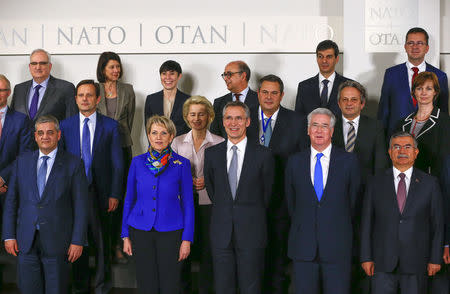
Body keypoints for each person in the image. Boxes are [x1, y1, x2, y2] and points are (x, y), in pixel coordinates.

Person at [2, 115, 88, 294]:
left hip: (59, 241)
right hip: (26, 240)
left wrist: (78, 240)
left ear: (58, 135)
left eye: (50, 132)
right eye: (40, 133)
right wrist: (8, 235)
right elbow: (11, 201)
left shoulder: (74, 164)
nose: (45, 137)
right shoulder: (22, 162)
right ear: (35, 136)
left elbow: (81, 206)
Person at [285, 107, 361, 294]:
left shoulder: (349, 161)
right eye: (315, 125)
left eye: (324, 126)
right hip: (303, 248)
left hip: (337, 247)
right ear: (308, 130)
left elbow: (354, 202)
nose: (319, 130)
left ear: (332, 131)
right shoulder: (294, 162)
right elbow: (291, 202)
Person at [60, 80, 124, 294]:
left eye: (89, 95)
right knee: (77, 241)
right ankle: (79, 287)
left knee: (102, 243)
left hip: (102, 193)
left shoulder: (111, 125)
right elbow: (60, 163)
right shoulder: (65, 126)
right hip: (73, 194)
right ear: (76, 99)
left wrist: (115, 193)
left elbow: (117, 163)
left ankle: (102, 287)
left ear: (98, 99)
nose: (84, 99)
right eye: (80, 95)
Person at [360, 131, 444, 294]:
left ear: (415, 152)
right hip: (382, 262)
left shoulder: (430, 184)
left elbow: (438, 224)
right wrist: (365, 257)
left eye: (407, 147)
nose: (402, 151)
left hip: (417, 262)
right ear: (390, 152)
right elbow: (366, 223)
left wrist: (435, 258)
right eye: (396, 147)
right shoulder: (375, 182)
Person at [204, 101, 275, 294]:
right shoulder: (212, 154)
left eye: (238, 118)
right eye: (229, 118)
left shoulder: (264, 155)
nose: (233, 123)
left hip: (252, 232)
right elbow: (213, 191)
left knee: (251, 287)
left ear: (248, 122)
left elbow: (267, 194)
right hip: (221, 232)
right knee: (222, 286)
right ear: (223, 121)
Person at [246, 74, 306, 294]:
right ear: (258, 94)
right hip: (249, 203)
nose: (269, 97)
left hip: (282, 203)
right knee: (251, 264)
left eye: (274, 93)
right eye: (264, 92)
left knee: (278, 263)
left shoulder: (297, 121)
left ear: (282, 95)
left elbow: (302, 162)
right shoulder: (244, 118)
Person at [122, 115, 194, 294]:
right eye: (154, 133)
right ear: (148, 135)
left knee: (170, 284)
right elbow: (129, 199)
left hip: (171, 232)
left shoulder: (181, 164)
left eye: (164, 133)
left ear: (171, 137)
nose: (158, 137)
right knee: (146, 284)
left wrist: (187, 239)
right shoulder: (137, 162)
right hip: (140, 230)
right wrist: (125, 235)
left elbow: (188, 204)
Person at [171, 96, 224, 294]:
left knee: (207, 252)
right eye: (192, 114)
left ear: (209, 116)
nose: (197, 118)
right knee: (183, 251)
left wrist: (208, 182)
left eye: (201, 114)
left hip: (209, 203)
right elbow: (172, 173)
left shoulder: (219, 142)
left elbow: (224, 176)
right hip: (183, 205)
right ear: (186, 117)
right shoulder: (176, 142)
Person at [96, 51, 136, 263]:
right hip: (100, 151)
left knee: (121, 197)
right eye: (112, 67)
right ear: (103, 69)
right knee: (102, 198)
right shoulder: (93, 90)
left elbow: (129, 122)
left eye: (118, 66)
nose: (116, 70)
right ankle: (103, 246)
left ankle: (120, 244)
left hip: (121, 148)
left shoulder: (128, 90)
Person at [378, 27, 449, 136]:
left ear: (427, 48)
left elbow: (443, 113)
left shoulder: (440, 76)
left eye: (420, 43)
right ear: (405, 47)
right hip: (397, 139)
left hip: (430, 140)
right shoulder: (391, 74)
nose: (415, 47)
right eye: (410, 43)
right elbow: (384, 111)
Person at [333, 80, 388, 185]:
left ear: (362, 104)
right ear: (339, 103)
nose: (349, 103)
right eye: (345, 99)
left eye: (354, 99)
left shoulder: (375, 127)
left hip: (365, 189)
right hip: (335, 187)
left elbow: (380, 166)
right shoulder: (329, 126)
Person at [395, 71, 450, 177]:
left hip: (432, 181)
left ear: (435, 92)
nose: (423, 93)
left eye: (428, 89)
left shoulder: (445, 122)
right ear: (414, 92)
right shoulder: (402, 123)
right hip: (405, 179)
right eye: (419, 88)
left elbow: (444, 161)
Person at [11, 49, 77, 123]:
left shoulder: (66, 88)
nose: (38, 67)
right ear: (29, 67)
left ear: (50, 66)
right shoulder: (19, 89)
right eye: (34, 63)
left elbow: (72, 121)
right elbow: (12, 120)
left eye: (42, 63)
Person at [295, 40, 351, 117]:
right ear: (316, 58)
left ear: (337, 59)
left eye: (329, 57)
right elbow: (298, 118)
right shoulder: (304, 86)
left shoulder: (349, 85)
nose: (324, 61)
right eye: (320, 56)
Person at [0, 74, 33, 193]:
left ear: (8, 92)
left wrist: (3, 178)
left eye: (1, 90)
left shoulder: (21, 120)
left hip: (9, 187)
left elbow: (25, 155)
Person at [210, 61, 259, 138]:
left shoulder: (260, 100)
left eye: (229, 74)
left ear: (243, 76)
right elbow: (214, 136)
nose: (225, 78)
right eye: (224, 75)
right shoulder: (218, 103)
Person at [144, 60, 190, 136]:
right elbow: (148, 128)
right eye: (164, 74)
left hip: (181, 146)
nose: (167, 77)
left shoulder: (188, 100)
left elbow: (189, 128)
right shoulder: (151, 99)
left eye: (172, 74)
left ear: (179, 76)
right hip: (157, 146)